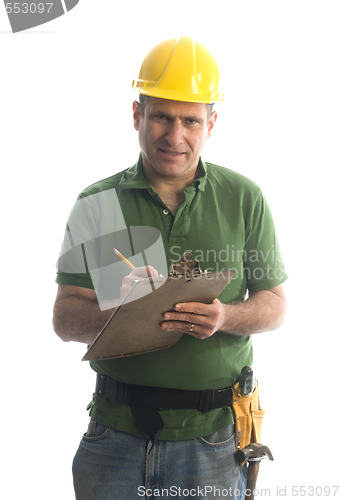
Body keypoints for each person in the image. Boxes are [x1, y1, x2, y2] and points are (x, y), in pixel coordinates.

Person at [53, 36, 287, 500]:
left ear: (211, 123)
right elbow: (64, 320)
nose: (174, 135)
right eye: (161, 115)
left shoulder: (243, 199)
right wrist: (124, 311)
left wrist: (225, 317)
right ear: (137, 115)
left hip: (213, 443)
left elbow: (275, 304)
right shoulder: (97, 204)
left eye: (190, 120)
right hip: (113, 437)